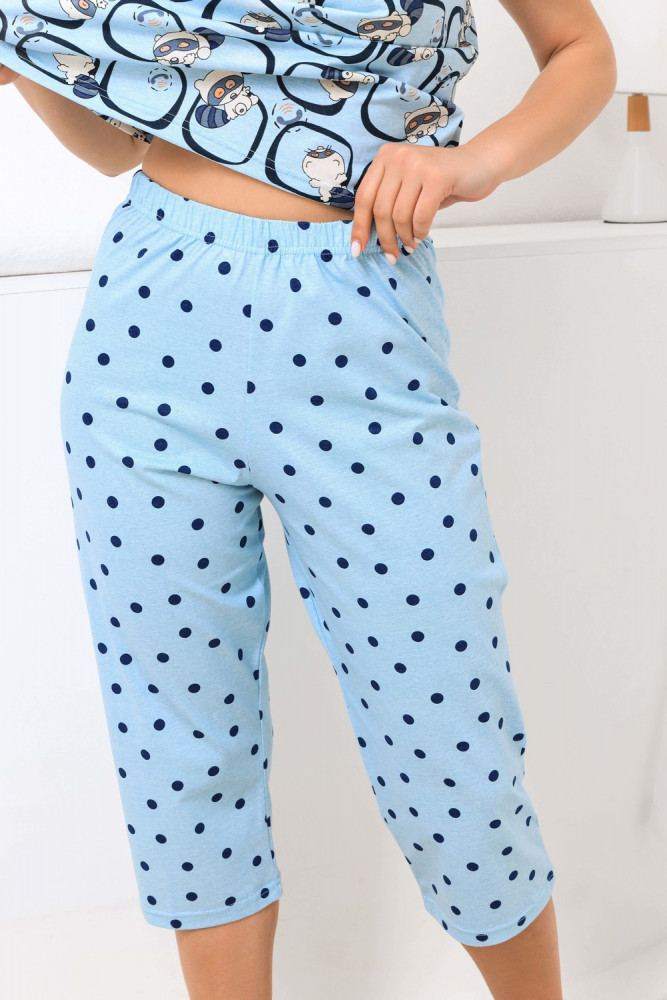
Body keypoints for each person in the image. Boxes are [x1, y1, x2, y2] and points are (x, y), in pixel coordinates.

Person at [1, 1, 616, 997]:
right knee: (180, 756)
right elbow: (117, 147)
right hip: (148, 319)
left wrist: (475, 162)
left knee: (450, 746)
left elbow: (579, 50)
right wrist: (30, 60)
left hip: (360, 306)